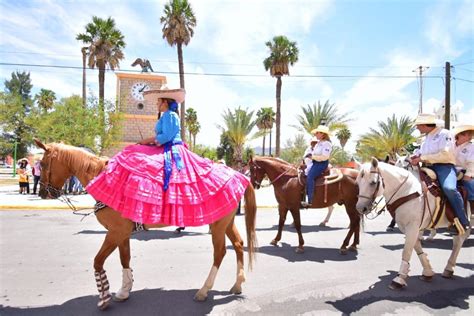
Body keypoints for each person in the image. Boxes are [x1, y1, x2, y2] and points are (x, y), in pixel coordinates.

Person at [86, 88, 250, 229]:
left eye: (159, 101)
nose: (157, 104)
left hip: (173, 150)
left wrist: (148, 141)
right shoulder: (165, 115)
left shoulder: (171, 115)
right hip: (163, 148)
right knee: (134, 155)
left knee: (157, 170)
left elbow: (168, 136)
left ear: (165, 102)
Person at [410, 113, 469, 234]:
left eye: (418, 125)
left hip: (444, 167)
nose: (417, 128)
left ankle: (463, 222)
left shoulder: (445, 134)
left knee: (449, 188)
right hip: (427, 167)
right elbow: (421, 152)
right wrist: (415, 156)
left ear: (425, 125)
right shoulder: (426, 138)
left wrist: (422, 158)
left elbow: (445, 154)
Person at [301, 125, 332, 208]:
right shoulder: (319, 143)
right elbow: (315, 153)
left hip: (321, 164)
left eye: (317, 133)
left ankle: (310, 200)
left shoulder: (327, 144)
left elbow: (325, 157)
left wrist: (313, 157)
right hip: (314, 163)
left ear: (323, 134)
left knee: (310, 177)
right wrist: (309, 156)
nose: (316, 134)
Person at [453, 124, 474, 219]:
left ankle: (473, 214)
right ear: (460, 135)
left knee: (470, 186)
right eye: (468, 134)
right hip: (450, 171)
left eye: (471, 134)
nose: (470, 137)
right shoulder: (451, 145)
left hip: (465, 172)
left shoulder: (471, 147)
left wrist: (468, 174)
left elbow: (472, 162)